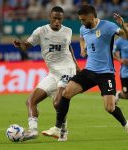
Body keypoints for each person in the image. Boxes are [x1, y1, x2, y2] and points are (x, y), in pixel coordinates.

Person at [46, 4, 128, 141]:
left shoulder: (108, 26)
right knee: (66, 93)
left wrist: (123, 25)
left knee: (109, 107)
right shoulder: (84, 28)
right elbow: (82, 38)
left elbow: (126, 37)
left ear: (92, 17)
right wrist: (83, 49)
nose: (82, 23)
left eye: (84, 20)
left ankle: (125, 124)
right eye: (80, 20)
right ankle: (58, 129)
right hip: (89, 70)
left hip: (105, 73)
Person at [13, 6, 80, 141]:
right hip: (53, 73)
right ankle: (32, 131)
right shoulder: (41, 31)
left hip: (67, 69)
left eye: (59, 19)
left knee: (57, 103)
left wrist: (77, 65)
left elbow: (69, 47)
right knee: (31, 101)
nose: (57, 22)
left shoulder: (68, 31)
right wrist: (20, 44)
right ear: (50, 17)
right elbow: (27, 45)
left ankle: (62, 130)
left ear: (62, 19)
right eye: (54, 18)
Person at [113, 23, 128, 102]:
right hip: (125, 73)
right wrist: (120, 60)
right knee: (126, 96)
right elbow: (113, 53)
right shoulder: (119, 41)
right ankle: (119, 94)